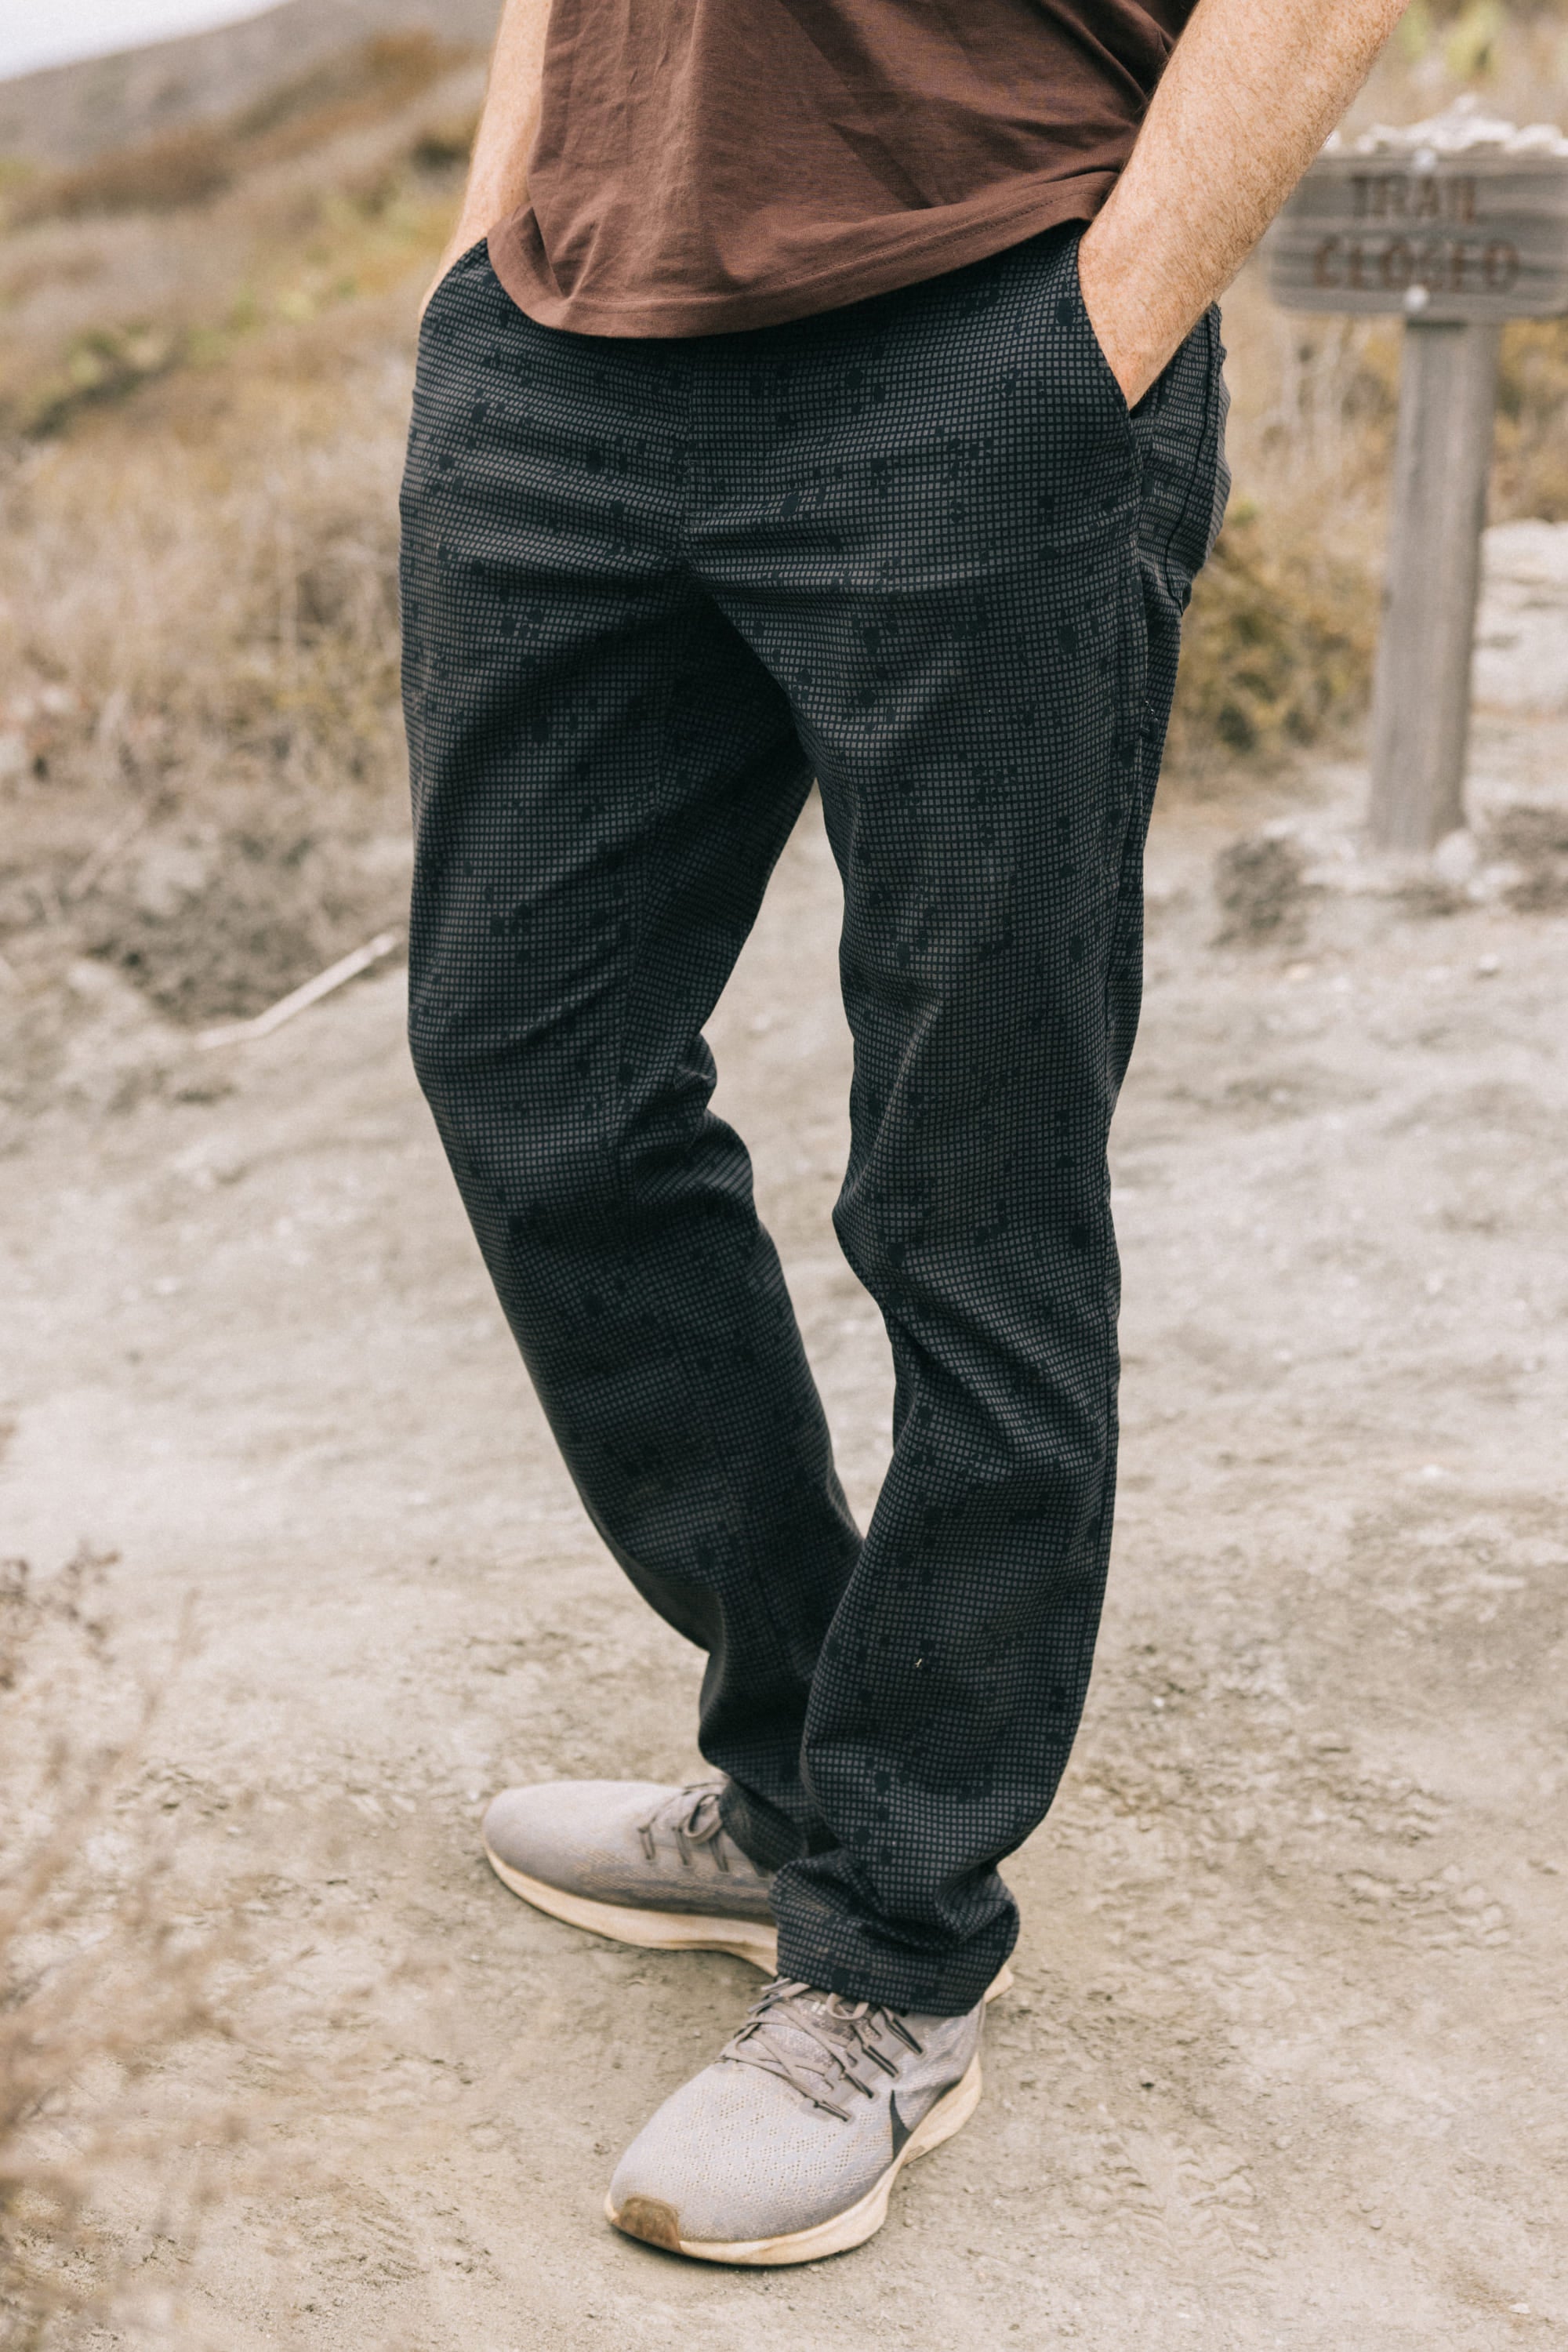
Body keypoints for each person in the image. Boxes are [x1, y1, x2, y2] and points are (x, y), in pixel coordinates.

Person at [400, 0, 1403, 2265]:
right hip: (567, 348)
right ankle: (794, 1774)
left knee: (972, 1187)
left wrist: (1108, 323)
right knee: (526, 1078)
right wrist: (497, 246)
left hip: (991, 326)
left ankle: (890, 1940)